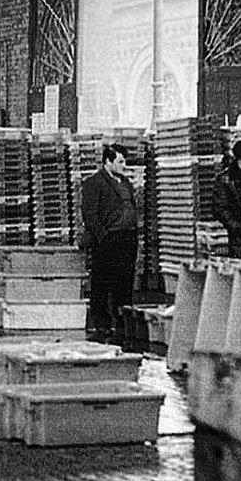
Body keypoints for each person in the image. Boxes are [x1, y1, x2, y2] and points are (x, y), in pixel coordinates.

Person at [80, 143, 138, 342]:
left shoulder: (125, 182)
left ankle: (122, 321)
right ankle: (101, 324)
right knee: (103, 282)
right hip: (108, 240)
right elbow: (90, 214)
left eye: (124, 161)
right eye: (120, 161)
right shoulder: (93, 183)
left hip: (127, 239)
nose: (124, 165)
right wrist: (102, 237)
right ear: (108, 161)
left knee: (125, 281)